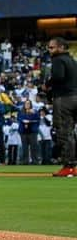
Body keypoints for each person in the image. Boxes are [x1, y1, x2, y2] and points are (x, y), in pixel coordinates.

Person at [45, 37, 77, 177]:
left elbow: (58, 77)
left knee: (64, 132)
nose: (50, 50)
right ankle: (72, 166)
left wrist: (48, 84)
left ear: (61, 48)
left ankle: (69, 166)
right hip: (75, 95)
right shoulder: (73, 61)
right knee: (71, 133)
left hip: (64, 99)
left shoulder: (58, 59)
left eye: (52, 47)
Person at [17, 100, 41, 166]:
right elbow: (19, 119)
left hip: (32, 131)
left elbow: (38, 119)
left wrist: (32, 114)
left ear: (30, 104)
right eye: (26, 103)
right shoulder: (21, 112)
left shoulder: (34, 111)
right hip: (23, 131)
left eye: (28, 103)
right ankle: (25, 161)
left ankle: (35, 161)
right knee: (24, 147)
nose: (27, 105)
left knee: (34, 147)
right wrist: (26, 120)